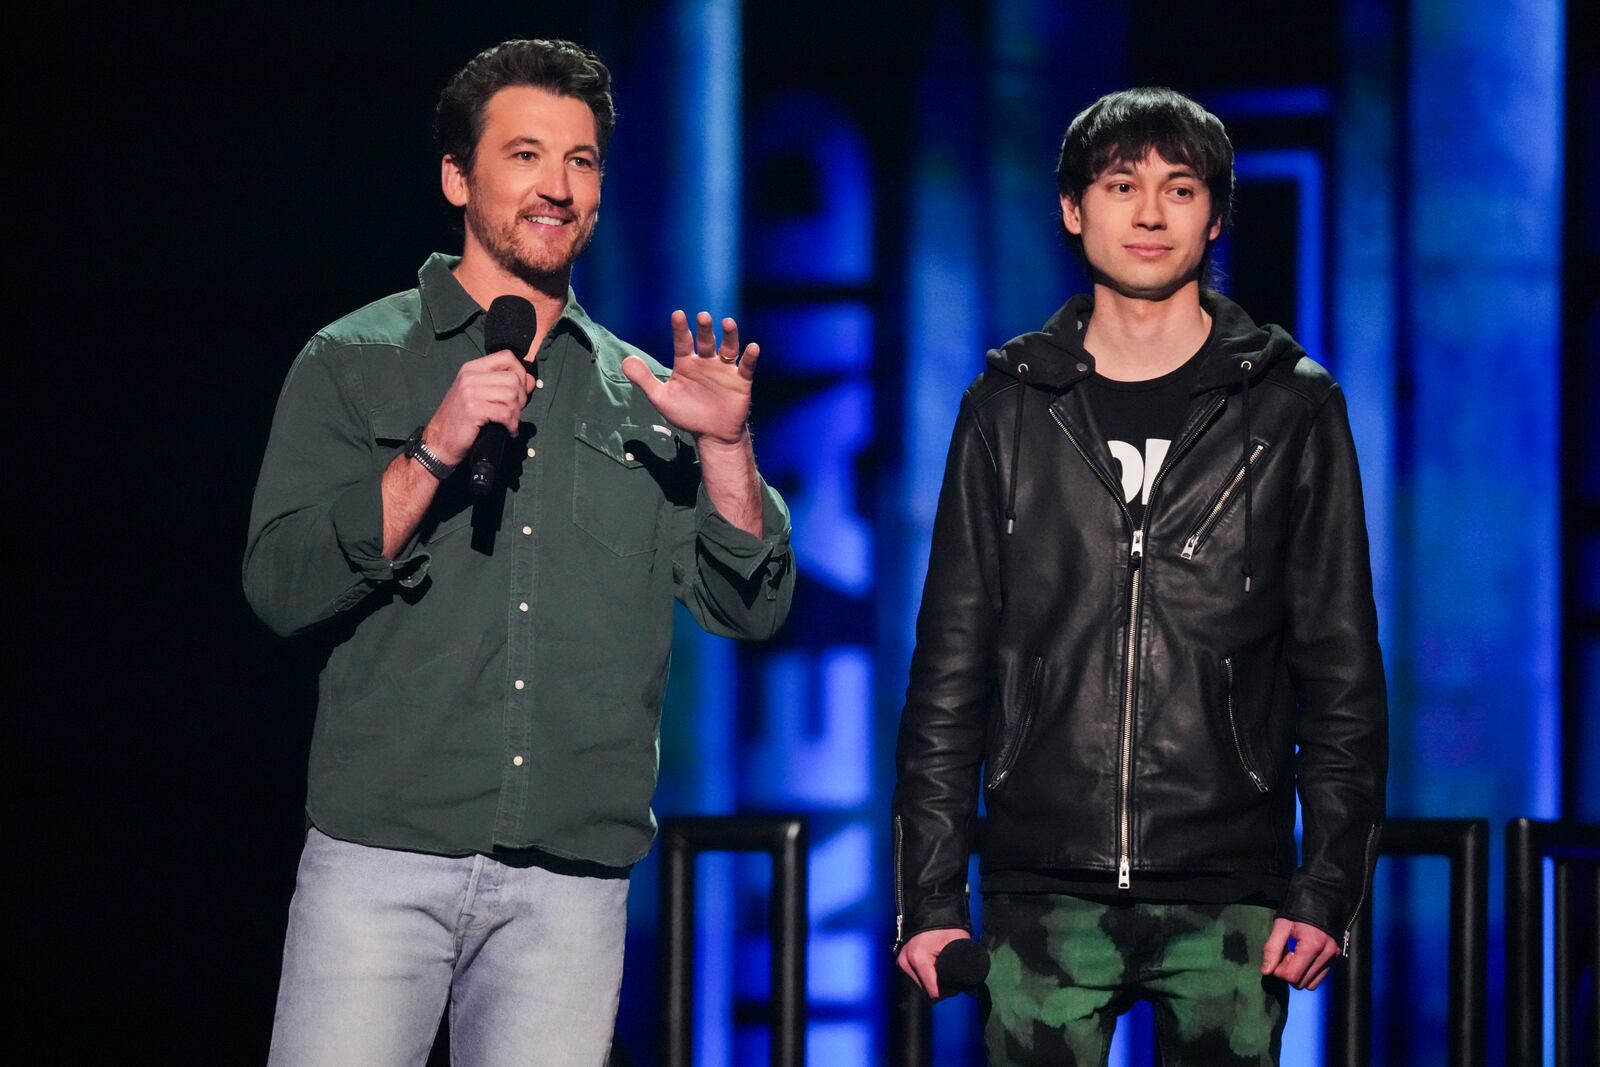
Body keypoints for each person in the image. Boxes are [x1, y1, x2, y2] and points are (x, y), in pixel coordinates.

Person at [244, 38, 794, 1066]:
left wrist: (724, 448)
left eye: (581, 161)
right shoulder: (355, 360)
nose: (557, 186)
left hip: (568, 884)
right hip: (379, 859)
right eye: (526, 155)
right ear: (457, 176)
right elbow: (280, 585)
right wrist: (435, 448)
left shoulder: (646, 391)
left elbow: (751, 606)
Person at [892, 87, 1386, 1066]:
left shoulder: (1292, 406)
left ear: (1214, 215)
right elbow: (951, 660)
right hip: (1042, 883)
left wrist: (1326, 886)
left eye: (1179, 187)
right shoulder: (1007, 407)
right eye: (1121, 186)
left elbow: (1340, 666)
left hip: (1233, 890)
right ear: (1074, 209)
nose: (1151, 213)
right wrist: (930, 893)